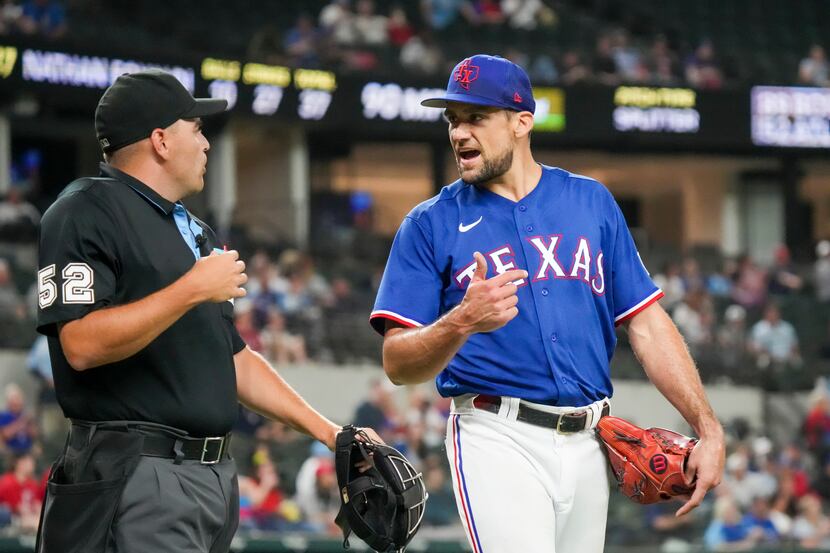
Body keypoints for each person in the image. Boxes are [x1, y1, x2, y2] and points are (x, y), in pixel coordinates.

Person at [369, 54, 725, 553]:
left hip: (590, 441)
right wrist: (461, 323)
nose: (458, 133)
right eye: (452, 120)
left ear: (521, 122)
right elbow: (397, 363)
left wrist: (707, 428)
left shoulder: (591, 202)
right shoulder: (429, 224)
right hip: (497, 435)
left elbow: (645, 322)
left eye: (476, 117)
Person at [34, 69, 380, 553]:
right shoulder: (85, 209)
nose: (206, 143)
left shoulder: (194, 229)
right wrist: (190, 289)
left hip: (213, 477)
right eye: (195, 129)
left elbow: (233, 358)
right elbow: (81, 346)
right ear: (160, 140)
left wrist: (330, 433)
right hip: (138, 472)